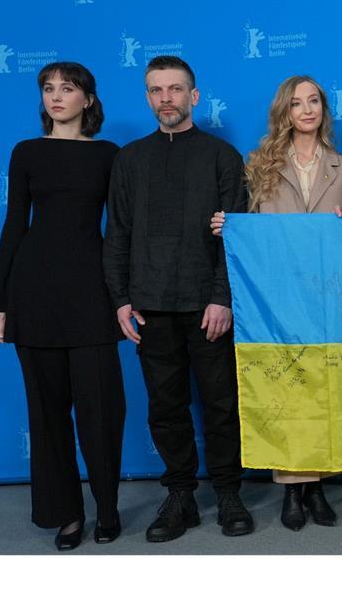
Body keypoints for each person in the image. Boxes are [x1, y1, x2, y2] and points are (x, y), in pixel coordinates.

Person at [104, 55, 253, 542]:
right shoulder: (129, 160)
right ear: (147, 98)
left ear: (195, 96)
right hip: (149, 306)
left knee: (220, 404)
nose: (165, 98)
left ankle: (230, 493)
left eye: (175, 89)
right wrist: (121, 299)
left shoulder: (222, 157)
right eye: (155, 90)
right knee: (164, 407)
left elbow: (237, 236)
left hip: (207, 305)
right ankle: (181, 495)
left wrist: (222, 297)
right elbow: (118, 234)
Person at [0, 62, 126, 552]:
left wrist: (123, 296)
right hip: (34, 293)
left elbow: (123, 229)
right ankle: (66, 514)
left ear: (88, 99)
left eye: (68, 89)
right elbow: (13, 225)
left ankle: (107, 508)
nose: (56, 96)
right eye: (49, 88)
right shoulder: (26, 152)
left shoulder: (110, 155)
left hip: (92, 293)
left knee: (102, 408)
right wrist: (0, 301)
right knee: (47, 414)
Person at [211, 75, 342, 531]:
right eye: (297, 103)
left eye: (314, 101)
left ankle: (316, 487)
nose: (307, 110)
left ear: (323, 110)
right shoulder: (259, 166)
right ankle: (292, 490)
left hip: (328, 296)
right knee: (284, 391)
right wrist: (227, 225)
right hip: (275, 299)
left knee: (323, 389)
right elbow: (249, 230)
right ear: (285, 113)